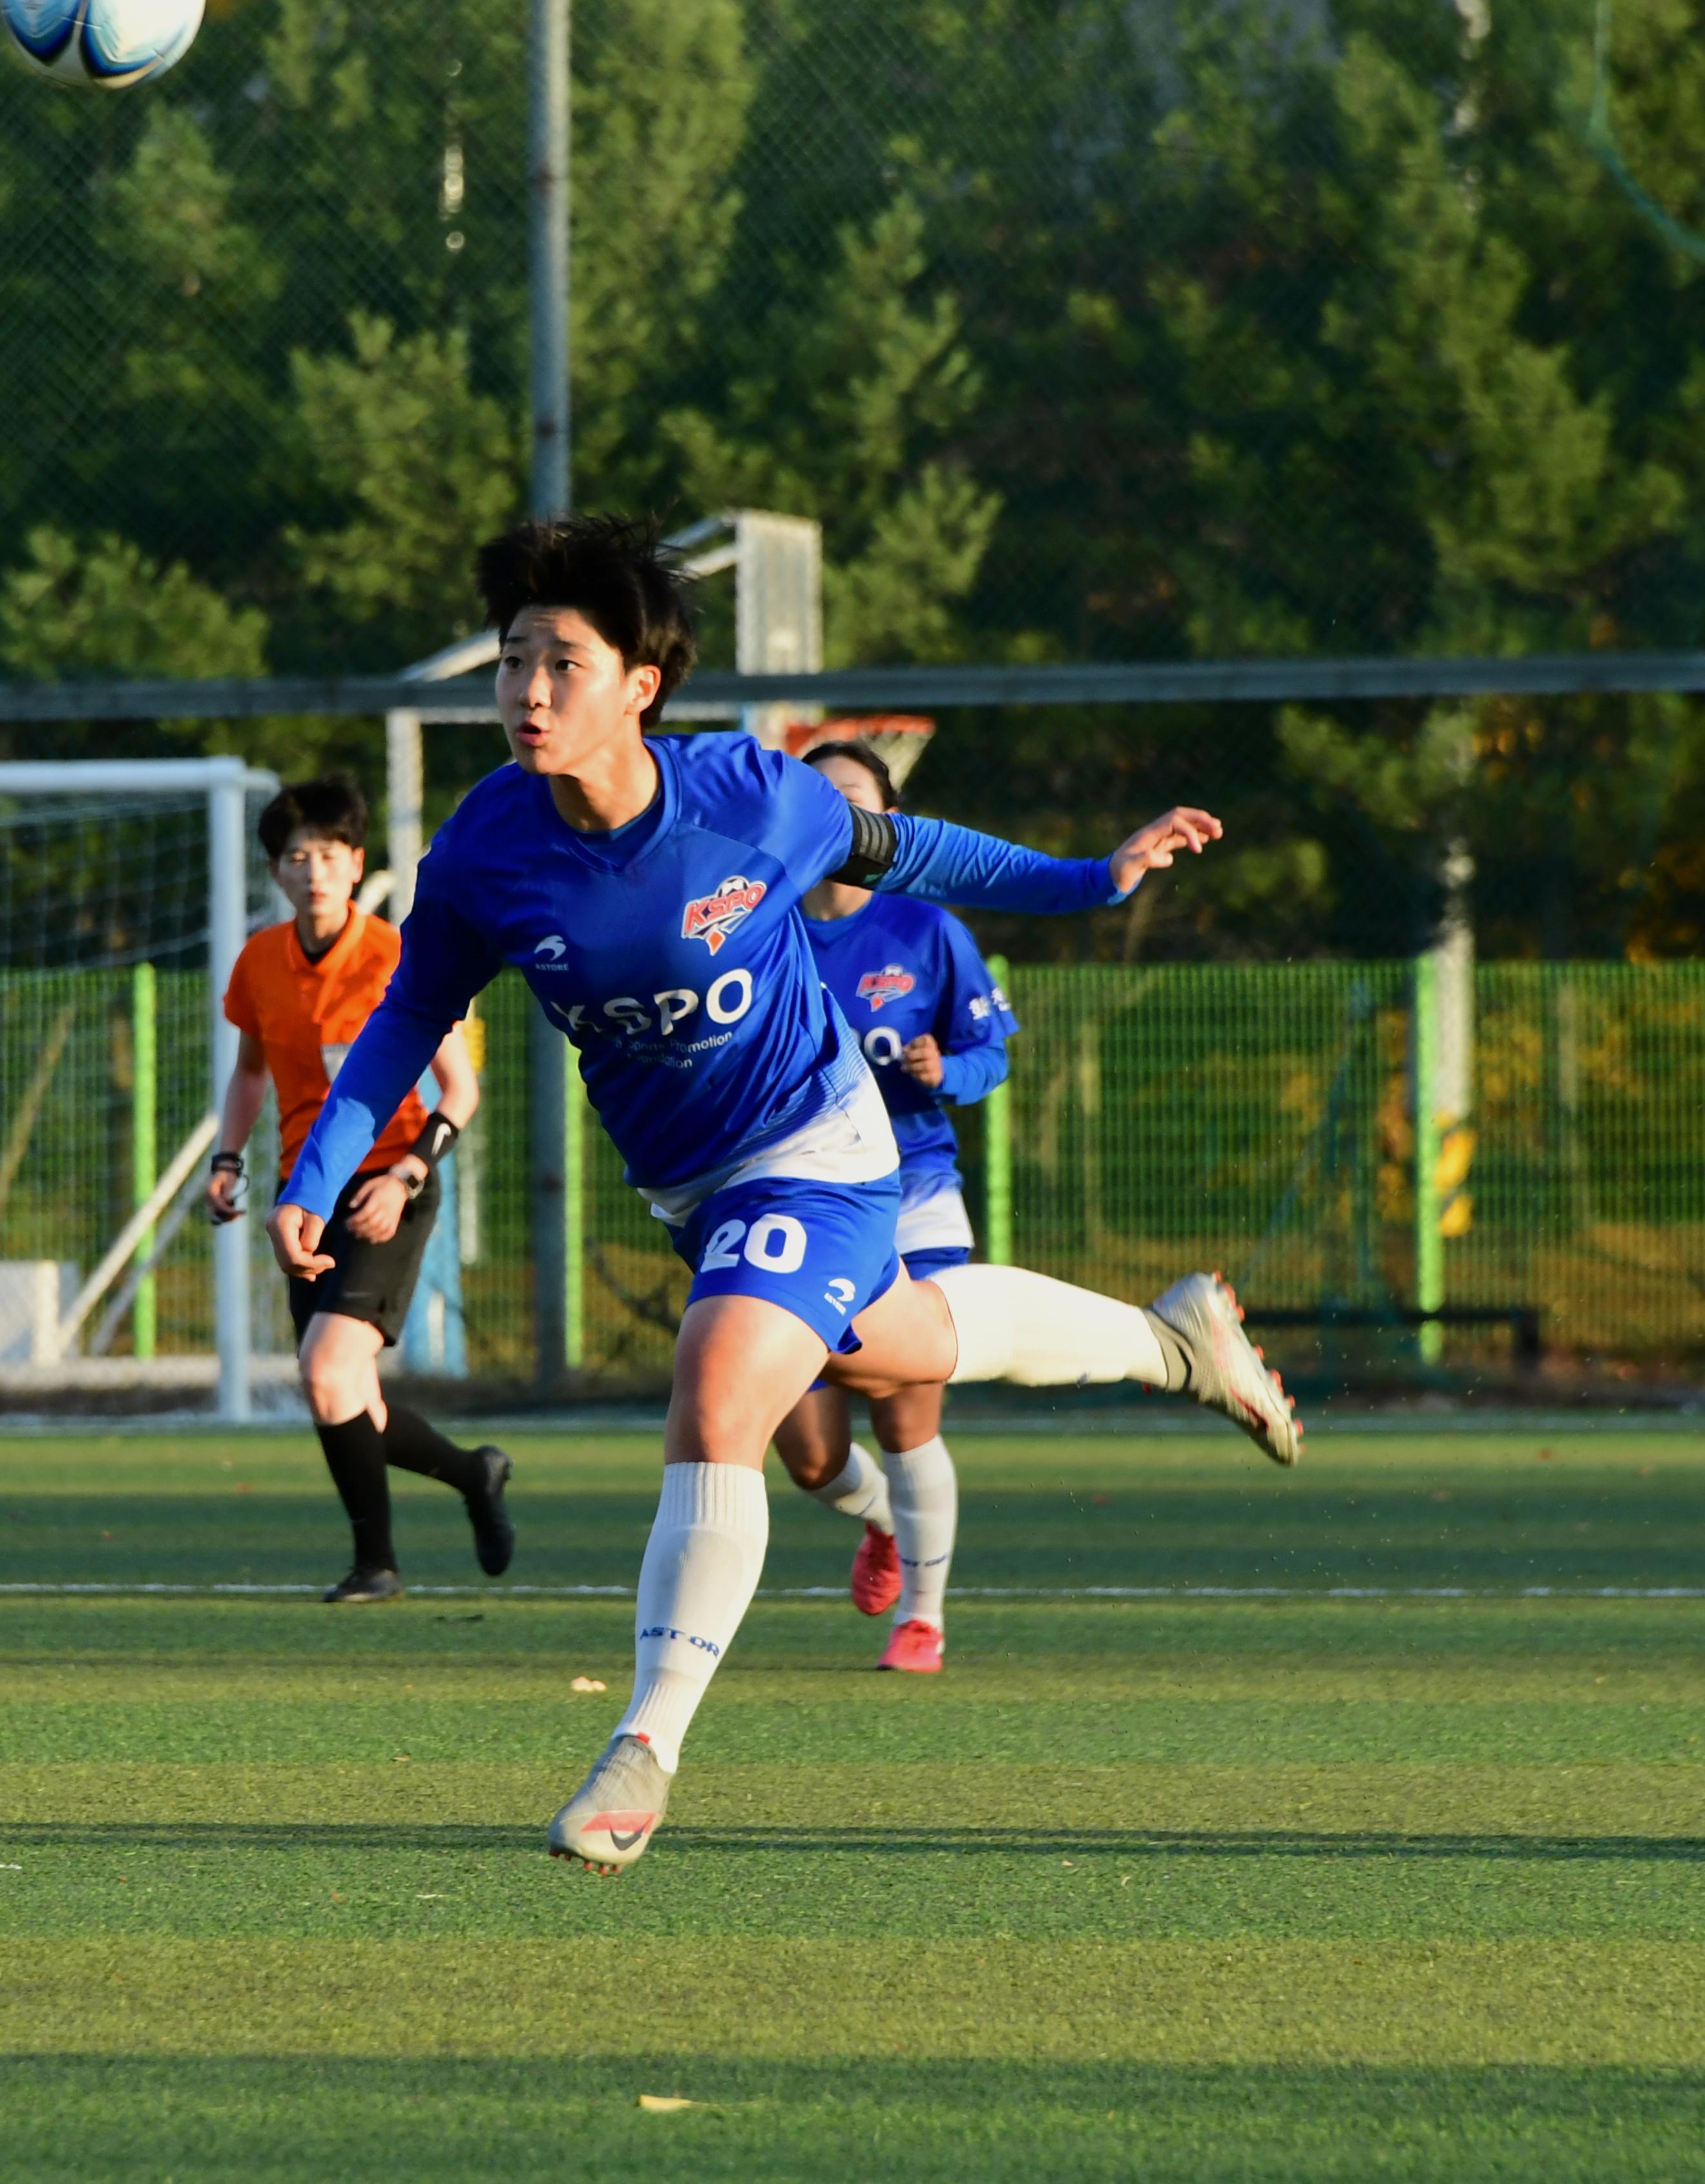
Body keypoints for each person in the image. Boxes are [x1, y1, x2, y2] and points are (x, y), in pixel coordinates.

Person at [271, 516, 1300, 1873]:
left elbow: (916, 849)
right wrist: (315, 1166)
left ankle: (647, 1741)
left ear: (641, 681)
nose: (527, 690)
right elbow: (411, 1015)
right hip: (694, 1185)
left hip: (820, 1142)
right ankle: (1175, 1343)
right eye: (513, 660)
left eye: (561, 662)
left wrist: (1090, 878)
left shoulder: (751, 795)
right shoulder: (482, 850)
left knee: (718, 1383)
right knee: (910, 1341)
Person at [211, 773, 513, 1601]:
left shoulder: (393, 955)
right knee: (347, 1394)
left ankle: (376, 1564)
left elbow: (461, 1089)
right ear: (276, 871)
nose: (315, 871)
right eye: (297, 856)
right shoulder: (259, 962)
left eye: (331, 854)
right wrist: (227, 1159)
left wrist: (408, 1174)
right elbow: (248, 1075)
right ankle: (472, 1474)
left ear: (357, 864)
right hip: (302, 1201)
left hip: (390, 1187)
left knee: (325, 1371)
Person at [769, 739, 1012, 1675]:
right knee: (808, 1455)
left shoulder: (927, 929)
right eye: (817, 796)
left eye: (854, 798)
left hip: (914, 1193)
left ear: (885, 823)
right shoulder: (764, 924)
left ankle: (925, 1617)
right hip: (803, 1195)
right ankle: (881, 1521)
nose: (835, 812)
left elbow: (991, 1055)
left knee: (908, 1417)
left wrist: (951, 1070)